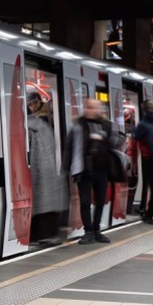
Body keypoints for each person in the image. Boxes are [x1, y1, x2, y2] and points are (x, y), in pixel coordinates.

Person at [68, 99, 114, 245]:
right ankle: (88, 231)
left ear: (99, 109)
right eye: (88, 107)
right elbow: (71, 147)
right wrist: (70, 168)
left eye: (94, 107)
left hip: (101, 169)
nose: (91, 110)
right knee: (85, 201)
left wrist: (104, 140)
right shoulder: (79, 125)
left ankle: (96, 230)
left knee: (100, 201)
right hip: (84, 169)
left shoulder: (106, 125)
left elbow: (112, 145)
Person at [27, 91, 68, 247]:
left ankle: (39, 236)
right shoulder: (41, 124)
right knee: (46, 204)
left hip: (40, 174)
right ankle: (47, 235)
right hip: (50, 173)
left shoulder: (33, 125)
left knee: (40, 204)